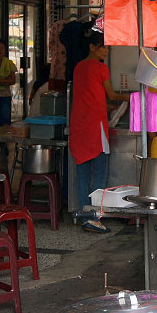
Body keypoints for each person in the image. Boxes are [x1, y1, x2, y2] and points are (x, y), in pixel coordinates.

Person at [70, 31, 127, 233]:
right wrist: (132, 97)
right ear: (92, 47)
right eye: (103, 47)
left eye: (107, 47)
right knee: (100, 174)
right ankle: (95, 217)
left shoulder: (78, 67)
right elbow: (110, 94)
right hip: (95, 128)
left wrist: (106, 107)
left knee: (83, 174)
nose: (106, 50)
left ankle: (84, 214)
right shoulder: (100, 68)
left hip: (79, 127)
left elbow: (89, 97)